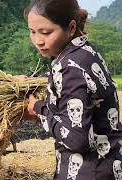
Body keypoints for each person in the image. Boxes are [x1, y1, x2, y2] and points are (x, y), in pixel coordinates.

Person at [24, 0, 122, 179]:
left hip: (88, 170)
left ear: (71, 27)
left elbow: (77, 140)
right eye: (32, 31)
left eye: (46, 32)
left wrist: (39, 107)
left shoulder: (69, 67)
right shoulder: (86, 53)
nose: (38, 40)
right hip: (109, 165)